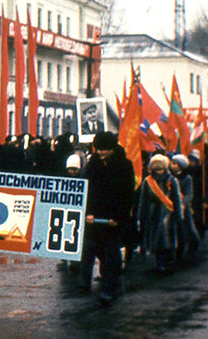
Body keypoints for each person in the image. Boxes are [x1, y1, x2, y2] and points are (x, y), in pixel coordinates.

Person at [79, 131, 135, 306]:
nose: (101, 152)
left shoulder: (124, 165)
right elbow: (85, 190)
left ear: (113, 148)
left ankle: (107, 289)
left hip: (114, 218)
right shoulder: (92, 165)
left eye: (105, 149)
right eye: (99, 149)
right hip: (94, 218)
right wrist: (86, 213)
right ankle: (111, 279)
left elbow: (127, 194)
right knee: (97, 250)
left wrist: (117, 217)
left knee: (111, 252)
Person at [138, 154, 182, 272]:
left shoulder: (172, 180)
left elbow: (176, 199)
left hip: (168, 214)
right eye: (156, 170)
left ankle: (169, 258)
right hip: (153, 214)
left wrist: (179, 215)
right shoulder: (148, 181)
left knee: (168, 238)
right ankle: (160, 263)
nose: (159, 172)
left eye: (161, 169)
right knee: (158, 240)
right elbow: (143, 200)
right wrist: (140, 216)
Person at [171, 154, 201, 258]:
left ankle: (194, 243)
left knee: (188, 227)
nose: (172, 165)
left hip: (184, 207)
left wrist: (183, 204)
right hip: (173, 206)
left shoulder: (187, 178)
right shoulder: (171, 177)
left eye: (174, 163)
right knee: (178, 228)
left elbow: (189, 193)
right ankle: (179, 248)